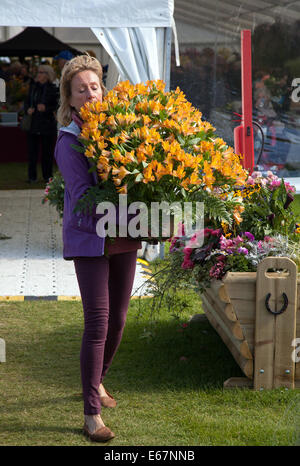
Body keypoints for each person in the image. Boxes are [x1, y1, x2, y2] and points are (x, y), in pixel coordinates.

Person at [55, 54, 141, 442]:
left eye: (95, 86)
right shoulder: (69, 141)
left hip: (122, 236)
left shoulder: (118, 131)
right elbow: (83, 196)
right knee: (98, 325)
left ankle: (97, 382)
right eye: (81, 90)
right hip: (91, 238)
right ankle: (91, 413)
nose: (90, 94)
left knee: (119, 321)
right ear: (70, 99)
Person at [23, 64, 58, 183]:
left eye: (41, 72)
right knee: (32, 152)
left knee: (47, 153)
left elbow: (57, 106)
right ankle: (31, 177)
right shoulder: (33, 87)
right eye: (38, 72)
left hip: (47, 124)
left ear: (47, 75)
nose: (38, 74)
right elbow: (26, 102)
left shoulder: (53, 89)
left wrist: (46, 108)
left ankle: (47, 176)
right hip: (33, 124)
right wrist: (28, 109)